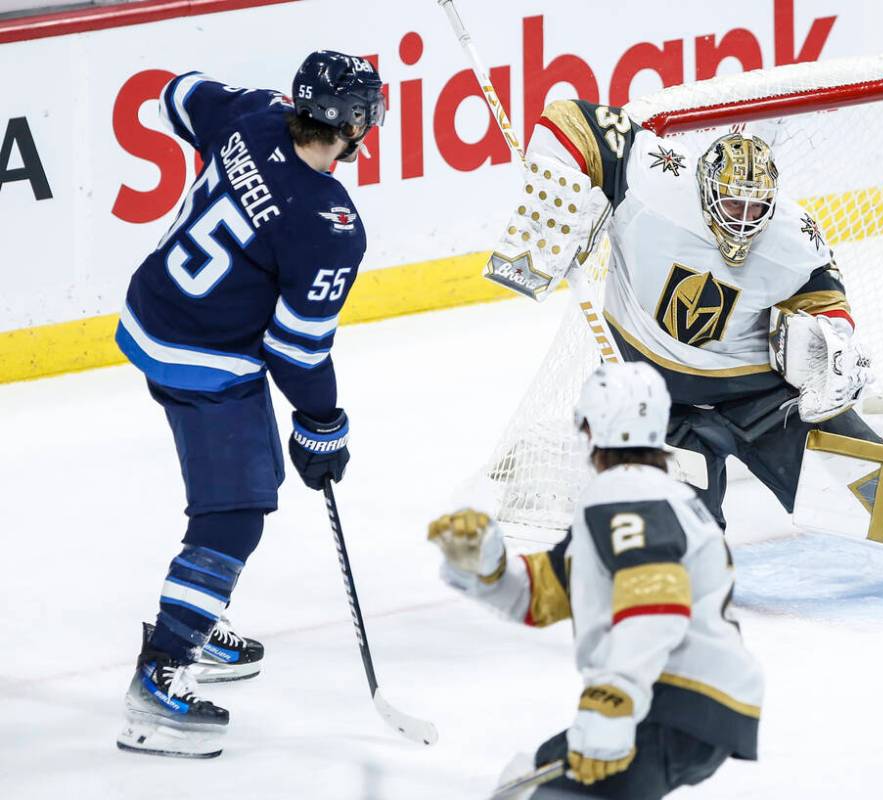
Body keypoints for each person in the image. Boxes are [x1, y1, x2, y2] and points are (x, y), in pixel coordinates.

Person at [114, 50, 384, 758]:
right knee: (234, 514)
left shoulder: (254, 113)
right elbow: (296, 350)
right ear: (355, 126)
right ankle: (159, 678)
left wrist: (235, 143)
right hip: (204, 358)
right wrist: (324, 423)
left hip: (155, 311)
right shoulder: (327, 221)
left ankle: (198, 624)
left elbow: (176, 92)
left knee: (256, 476)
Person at [498, 99, 880, 532]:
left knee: (863, 485)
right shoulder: (654, 180)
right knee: (685, 536)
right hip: (657, 401)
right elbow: (570, 118)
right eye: (734, 205)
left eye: (757, 208)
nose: (745, 221)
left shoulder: (795, 236)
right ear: (707, 190)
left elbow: (825, 302)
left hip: (756, 394)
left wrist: (831, 346)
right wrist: (555, 204)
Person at [429, 362, 763, 798]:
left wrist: (612, 701)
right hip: (695, 704)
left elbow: (655, 609)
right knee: (532, 776)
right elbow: (539, 596)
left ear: (592, 427)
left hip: (671, 700)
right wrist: (484, 564)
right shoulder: (659, 495)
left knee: (542, 791)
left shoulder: (627, 495)